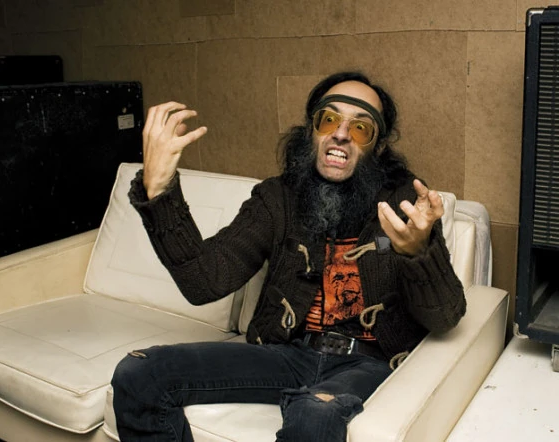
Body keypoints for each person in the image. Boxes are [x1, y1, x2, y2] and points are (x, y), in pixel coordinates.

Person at [111, 70, 466, 442]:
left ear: (376, 147)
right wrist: (159, 191)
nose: (341, 134)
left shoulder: (405, 203)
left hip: (368, 363)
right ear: (311, 131)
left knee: (315, 412)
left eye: (360, 128)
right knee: (140, 374)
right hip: (288, 354)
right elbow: (205, 281)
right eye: (329, 119)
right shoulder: (276, 198)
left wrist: (418, 252)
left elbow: (445, 317)